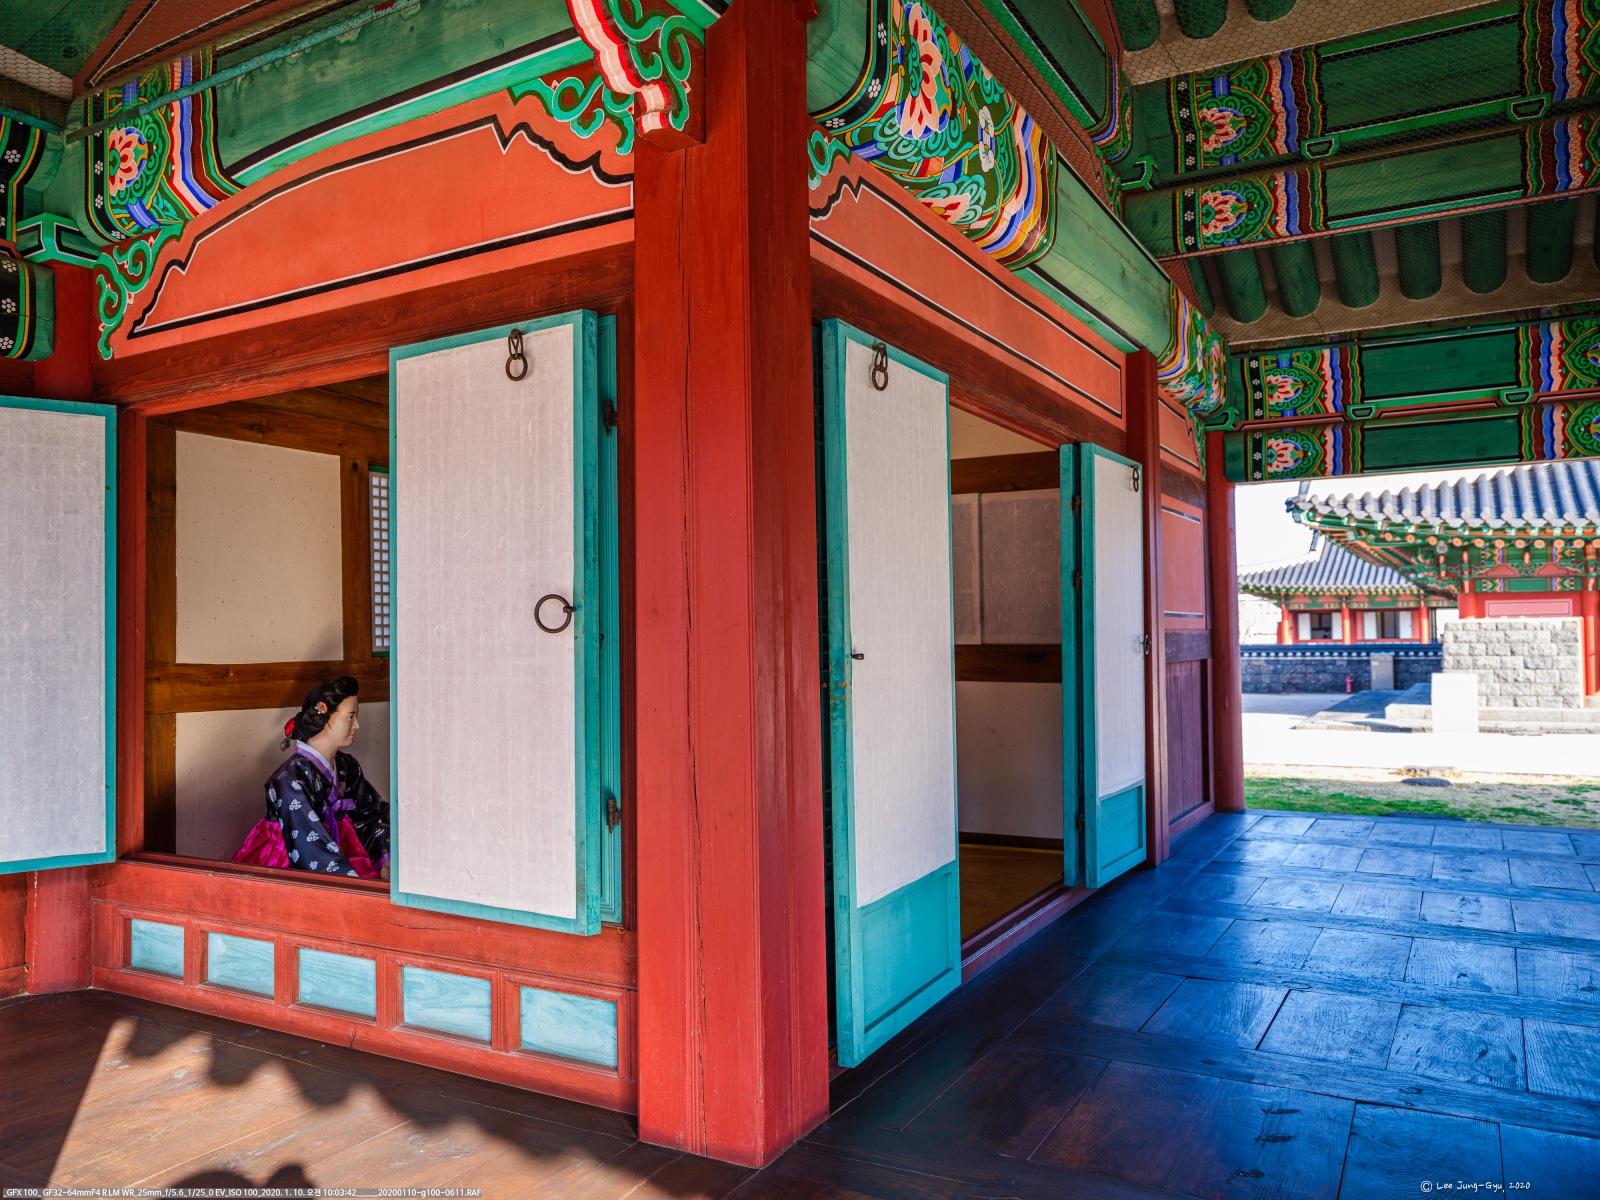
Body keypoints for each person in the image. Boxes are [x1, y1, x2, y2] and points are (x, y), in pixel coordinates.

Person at [232, 676, 390, 880]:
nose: (357, 725)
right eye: (350, 717)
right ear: (324, 718)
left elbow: (371, 814)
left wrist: (385, 860)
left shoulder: (347, 766)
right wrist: (349, 882)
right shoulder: (289, 778)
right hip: (292, 861)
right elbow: (306, 842)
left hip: (345, 854)